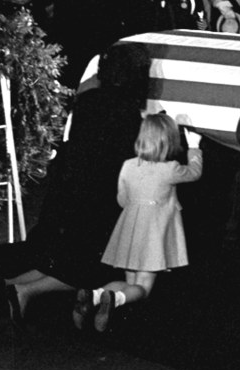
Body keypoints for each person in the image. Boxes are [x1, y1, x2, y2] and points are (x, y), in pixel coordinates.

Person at [0, 43, 147, 332]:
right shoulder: (128, 110)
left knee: (59, 259)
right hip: (99, 197)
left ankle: (6, 287)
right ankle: (24, 293)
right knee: (89, 269)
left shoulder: (87, 100)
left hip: (67, 191)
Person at [74, 114, 203, 333]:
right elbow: (194, 173)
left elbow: (122, 200)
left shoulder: (128, 165)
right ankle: (113, 299)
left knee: (130, 280)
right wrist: (194, 148)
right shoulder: (169, 168)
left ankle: (95, 295)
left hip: (129, 232)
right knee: (142, 288)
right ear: (169, 141)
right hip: (153, 235)